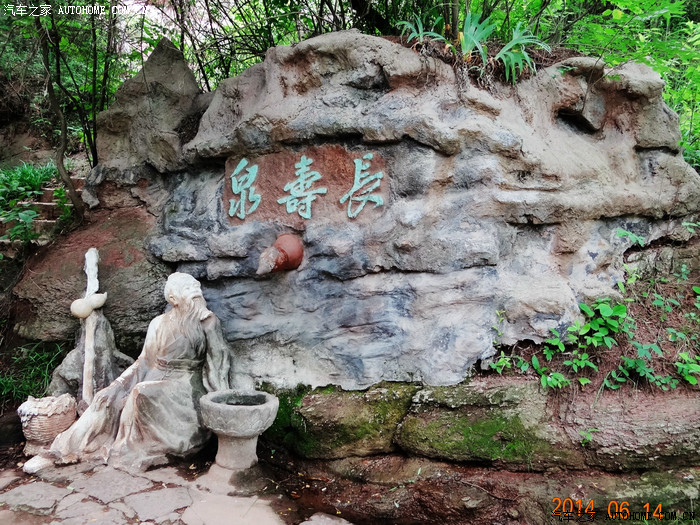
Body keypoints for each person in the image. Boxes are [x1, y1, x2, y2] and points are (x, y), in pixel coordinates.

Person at [49, 272, 231, 471]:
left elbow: (218, 362)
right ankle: (67, 448)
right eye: (188, 289)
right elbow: (144, 361)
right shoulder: (158, 323)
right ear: (173, 298)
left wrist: (218, 399)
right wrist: (117, 385)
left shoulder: (207, 322)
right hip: (154, 377)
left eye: (197, 288)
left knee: (140, 392)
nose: (196, 292)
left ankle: (123, 448)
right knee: (106, 399)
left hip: (186, 385)